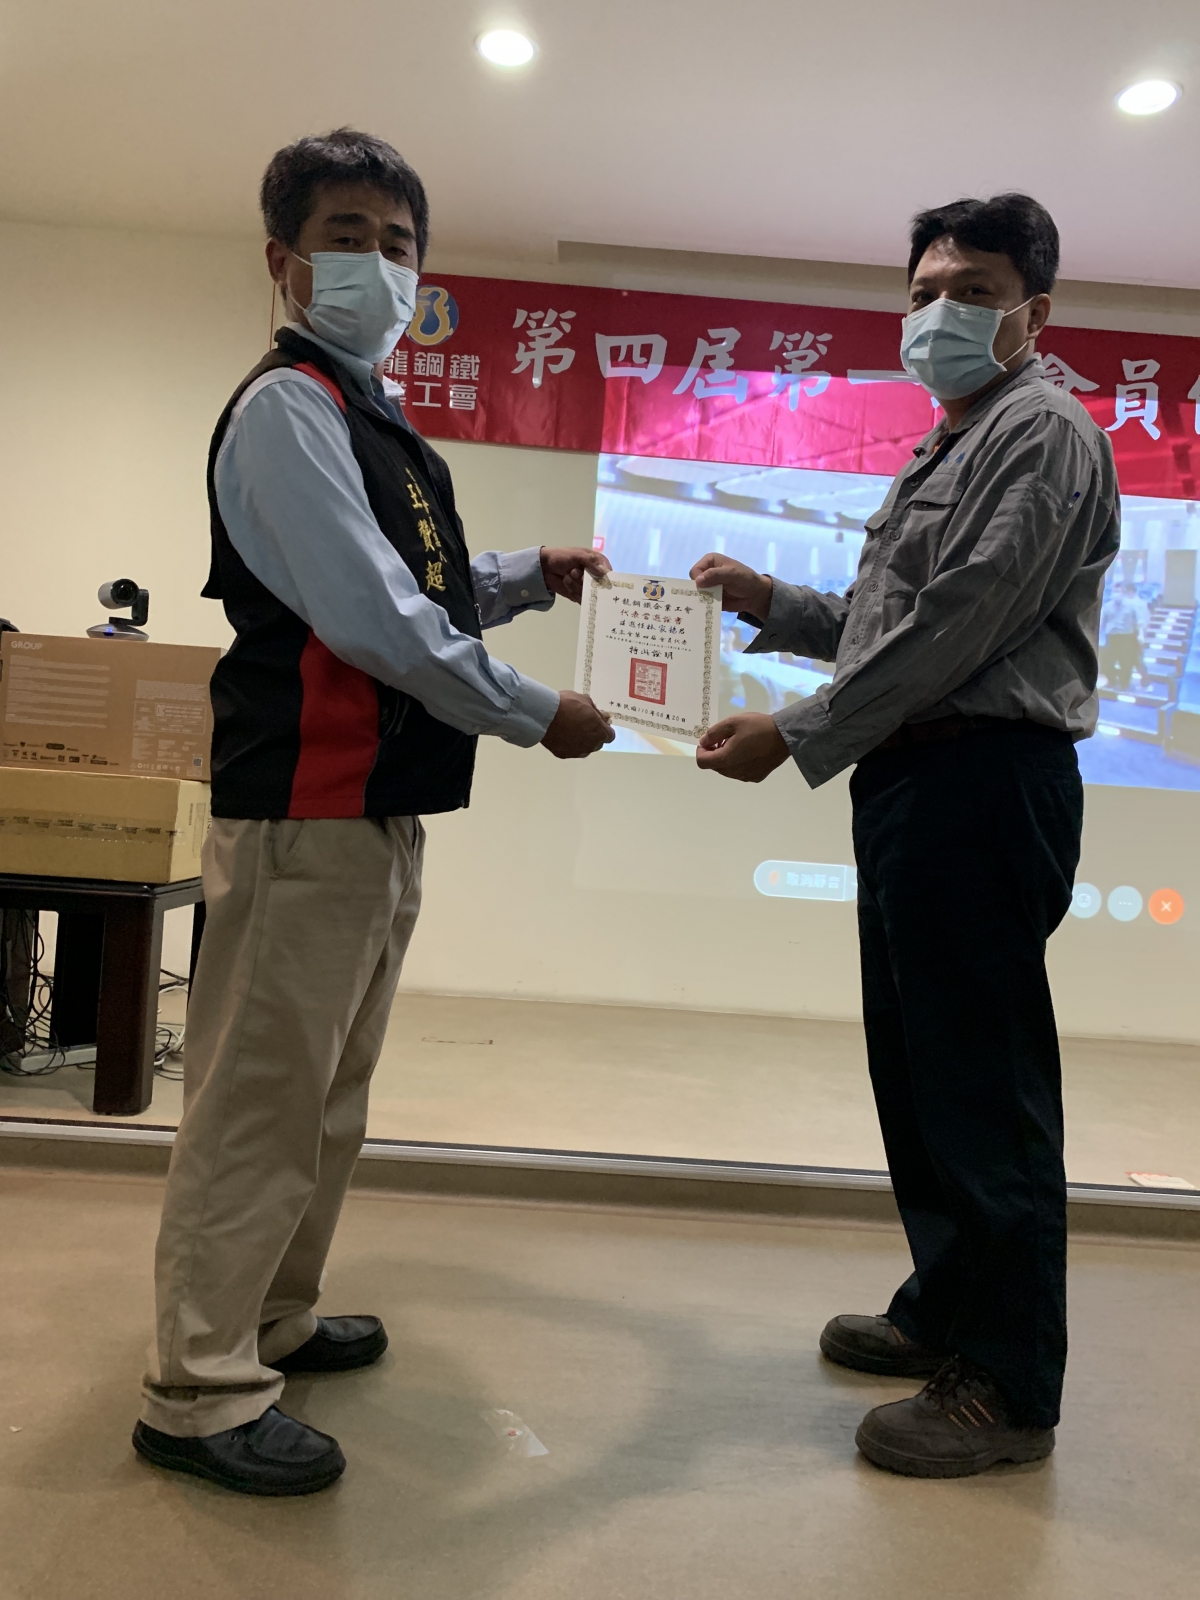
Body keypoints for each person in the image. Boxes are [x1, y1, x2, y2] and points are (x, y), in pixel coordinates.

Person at [133, 129, 614, 1497]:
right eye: (347, 236)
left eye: (399, 243)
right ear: (283, 260)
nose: (380, 265)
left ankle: (271, 1319)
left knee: (326, 1097)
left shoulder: (368, 413)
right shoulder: (289, 407)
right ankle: (197, 1389)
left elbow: (415, 583)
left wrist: (525, 574)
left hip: (373, 808)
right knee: (260, 1101)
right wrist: (534, 709)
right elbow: (370, 617)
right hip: (304, 805)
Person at [691, 194, 1119, 1478]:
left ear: (1034, 311)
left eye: (975, 289)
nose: (943, 311)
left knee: (982, 1088)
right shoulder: (959, 434)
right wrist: (775, 602)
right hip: (919, 781)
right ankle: (948, 1309)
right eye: (927, 289)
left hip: (984, 781)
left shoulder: (1043, 432)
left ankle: (1010, 1386)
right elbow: (896, 619)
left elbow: (961, 625)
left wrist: (798, 731)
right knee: (924, 1073)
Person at [1100, 581, 1144, 689]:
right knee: (1107, 662)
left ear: (1123, 593)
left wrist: (1141, 634)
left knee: (1126, 663)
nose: (1116, 593)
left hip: (1126, 637)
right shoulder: (1107, 606)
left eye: (1119, 591)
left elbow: (1139, 622)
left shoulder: (1131, 605)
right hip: (1111, 637)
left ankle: (1124, 684)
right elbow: (1101, 624)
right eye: (1115, 591)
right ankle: (1112, 681)